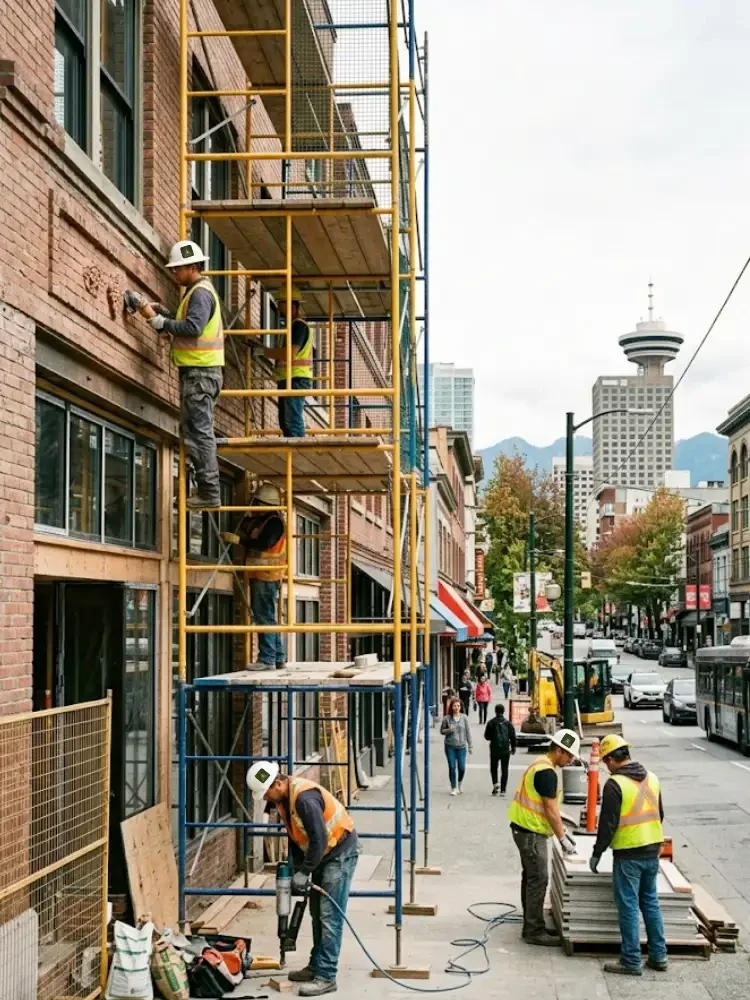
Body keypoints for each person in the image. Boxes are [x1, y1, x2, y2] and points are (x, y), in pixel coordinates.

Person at [247, 761, 358, 997]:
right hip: (323, 855)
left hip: (338, 853)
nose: (266, 798)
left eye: (267, 792)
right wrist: (297, 868)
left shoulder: (304, 800)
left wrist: (305, 871)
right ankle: (316, 965)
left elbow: (318, 839)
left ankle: (327, 976)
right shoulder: (284, 799)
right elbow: (298, 837)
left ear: (278, 783)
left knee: (329, 916)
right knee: (317, 913)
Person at [131, 240, 224, 508]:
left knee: (199, 432)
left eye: (177, 269)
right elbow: (191, 323)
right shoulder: (196, 293)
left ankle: (209, 492)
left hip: (200, 373)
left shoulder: (200, 294)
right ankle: (206, 489)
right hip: (199, 373)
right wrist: (167, 314)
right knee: (192, 431)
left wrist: (162, 322)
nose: (174, 274)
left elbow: (193, 327)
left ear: (191, 266)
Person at [590, 735, 667, 977]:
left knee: (629, 906)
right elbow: (660, 814)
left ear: (613, 759)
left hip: (628, 854)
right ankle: (659, 956)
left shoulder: (615, 784)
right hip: (652, 849)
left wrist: (596, 853)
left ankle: (631, 960)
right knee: (650, 902)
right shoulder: (653, 778)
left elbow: (608, 824)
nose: (606, 767)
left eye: (606, 762)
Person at [507, 729, 580, 945]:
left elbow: (547, 805)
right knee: (539, 878)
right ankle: (533, 930)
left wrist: (561, 818)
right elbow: (549, 809)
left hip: (523, 828)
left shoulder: (539, 764)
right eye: (569, 755)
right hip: (531, 831)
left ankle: (532, 922)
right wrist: (563, 839)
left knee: (530, 876)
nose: (571, 760)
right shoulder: (547, 772)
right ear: (559, 750)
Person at [236, 482, 286, 671]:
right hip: (263, 575)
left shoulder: (274, 522)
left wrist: (241, 540)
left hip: (267, 576)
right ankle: (278, 656)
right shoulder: (264, 521)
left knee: (264, 616)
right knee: (268, 616)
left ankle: (267, 659)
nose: (254, 505)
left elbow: (263, 543)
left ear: (265, 504)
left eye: (257, 502)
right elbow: (252, 532)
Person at [258, 286, 313, 438]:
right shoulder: (289, 328)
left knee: (292, 421)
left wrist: (263, 351)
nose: (278, 306)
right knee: (285, 422)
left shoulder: (299, 326)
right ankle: (293, 456)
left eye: (281, 302)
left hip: (295, 379)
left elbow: (290, 354)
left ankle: (298, 455)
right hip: (287, 378)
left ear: (292, 305)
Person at [440, 697, 473, 796]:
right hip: (450, 746)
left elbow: (468, 732)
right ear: (451, 707)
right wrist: (449, 730)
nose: (456, 707)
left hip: (462, 746)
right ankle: (454, 787)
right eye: (455, 706)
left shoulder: (464, 717)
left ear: (460, 707)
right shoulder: (447, 718)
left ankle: (459, 783)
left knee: (462, 767)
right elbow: (442, 731)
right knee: (452, 767)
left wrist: (470, 745)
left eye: (458, 706)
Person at [484, 703, 516, 795]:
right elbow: (513, 737)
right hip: (505, 749)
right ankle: (503, 789)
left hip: (494, 748)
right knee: (504, 768)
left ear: (495, 711)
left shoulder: (491, 723)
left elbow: (487, 736)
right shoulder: (508, 723)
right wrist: (513, 748)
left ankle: (495, 784)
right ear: (503, 711)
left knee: (494, 767)